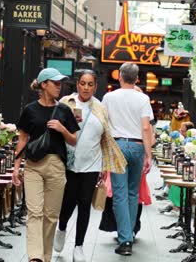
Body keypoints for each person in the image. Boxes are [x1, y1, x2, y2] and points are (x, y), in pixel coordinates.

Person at [53, 70, 127, 262]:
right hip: (68, 163)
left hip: (92, 164)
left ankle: (79, 246)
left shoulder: (100, 108)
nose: (86, 87)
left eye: (90, 84)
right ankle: (61, 228)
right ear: (77, 84)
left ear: (95, 86)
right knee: (67, 203)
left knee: (85, 204)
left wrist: (104, 165)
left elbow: (105, 136)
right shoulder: (65, 103)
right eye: (83, 83)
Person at [13, 68, 80, 262]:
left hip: (56, 165)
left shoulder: (64, 110)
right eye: (55, 83)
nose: (59, 87)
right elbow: (23, 139)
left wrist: (62, 129)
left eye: (61, 84)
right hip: (33, 164)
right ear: (44, 85)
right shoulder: (30, 110)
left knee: (51, 215)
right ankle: (35, 257)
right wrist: (17, 168)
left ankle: (46, 256)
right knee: (34, 212)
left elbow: (74, 140)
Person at [102, 62, 153, 256]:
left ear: (119, 76)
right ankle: (129, 234)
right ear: (137, 78)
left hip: (117, 146)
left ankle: (125, 241)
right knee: (133, 193)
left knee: (120, 194)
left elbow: (104, 125)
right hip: (138, 145)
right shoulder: (143, 99)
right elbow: (146, 128)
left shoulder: (109, 97)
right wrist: (148, 155)